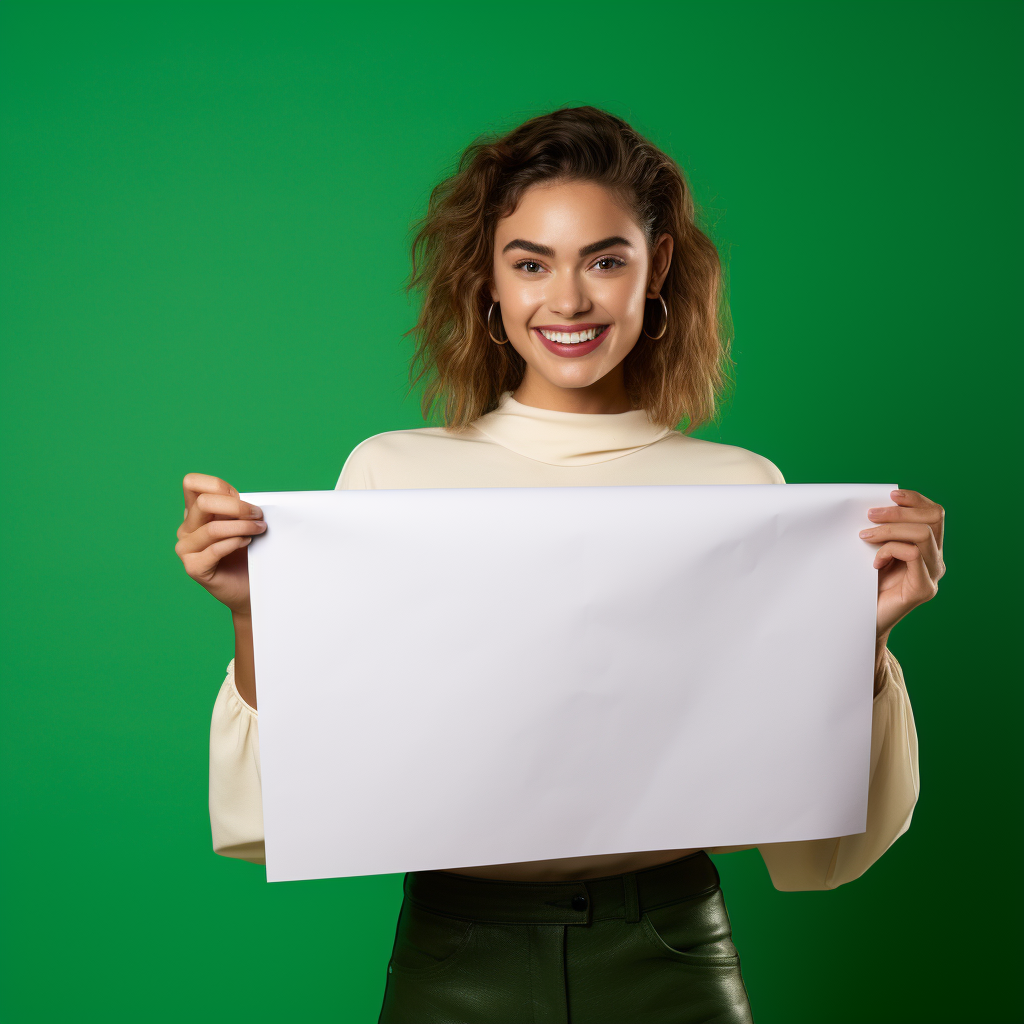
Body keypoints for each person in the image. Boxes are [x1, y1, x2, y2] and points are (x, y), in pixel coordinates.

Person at [175, 106, 941, 1023]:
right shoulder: (388, 474)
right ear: (487, 282)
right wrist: (255, 613)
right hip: (454, 948)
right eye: (530, 262)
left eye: (605, 259)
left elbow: (822, 849)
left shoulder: (742, 492)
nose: (568, 300)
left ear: (656, 271)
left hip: (673, 949)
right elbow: (279, 819)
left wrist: (860, 638)